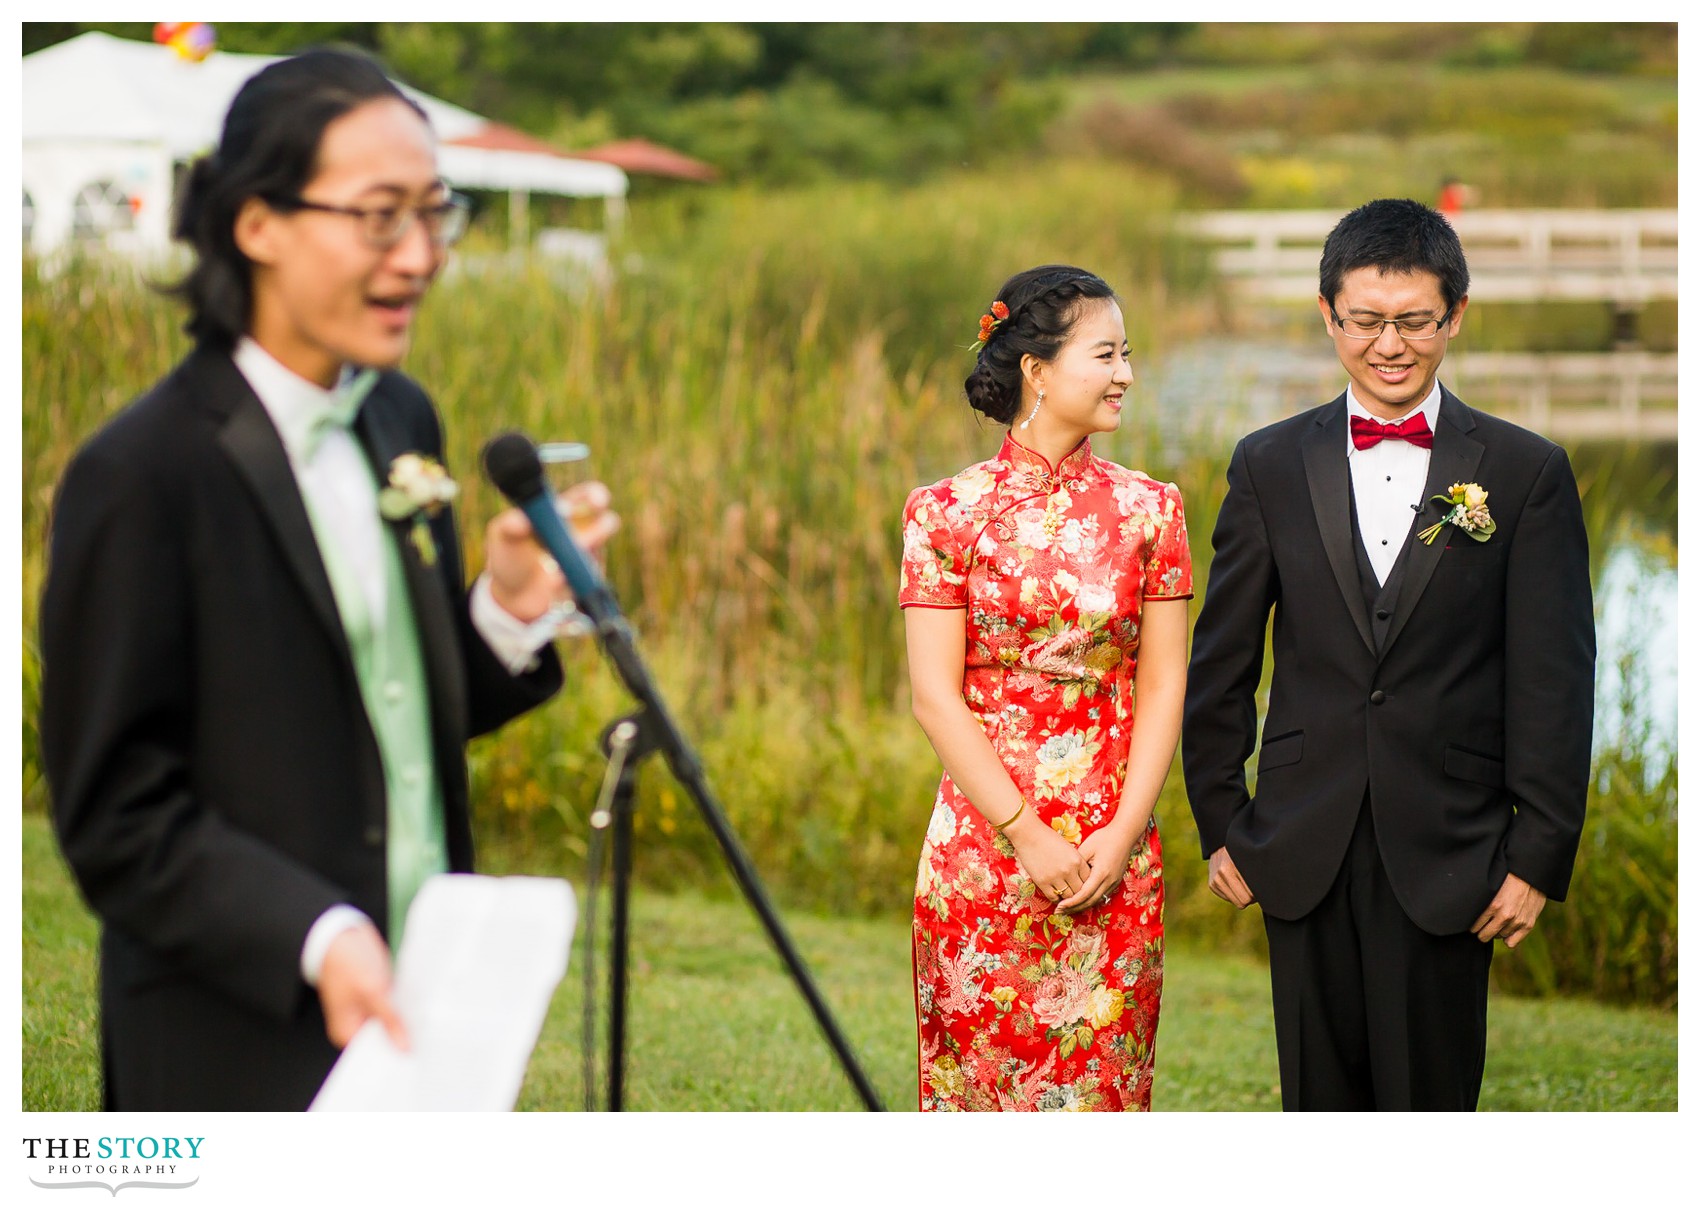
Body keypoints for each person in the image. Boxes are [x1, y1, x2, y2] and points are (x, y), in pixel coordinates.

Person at [38, 49, 617, 1111]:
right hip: (234, 1038)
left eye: (434, 213)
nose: (420, 256)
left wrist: (499, 619)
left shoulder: (401, 419)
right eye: (379, 216)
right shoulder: (143, 472)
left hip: (422, 1021)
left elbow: (384, 712)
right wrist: (317, 932)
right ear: (256, 223)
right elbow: (115, 811)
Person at [1182, 198, 1594, 1111]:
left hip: (1456, 848)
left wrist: (1537, 855)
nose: (1390, 344)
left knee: (1430, 1114)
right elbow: (1221, 662)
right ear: (1328, 314)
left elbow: (1555, 683)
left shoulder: (1527, 472)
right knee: (1318, 1110)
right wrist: (1220, 818)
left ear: (1454, 315)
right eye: (1366, 320)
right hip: (1296, 839)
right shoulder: (1268, 462)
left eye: (1414, 320)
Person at [900, 265, 1191, 1111]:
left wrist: (1125, 830)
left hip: (1115, 842)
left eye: (1128, 354)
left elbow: (1165, 678)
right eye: (1106, 354)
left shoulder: (1152, 510)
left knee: (1106, 1098)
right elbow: (934, 695)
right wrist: (1025, 833)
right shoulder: (943, 512)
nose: (1126, 373)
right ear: (1037, 368)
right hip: (984, 852)